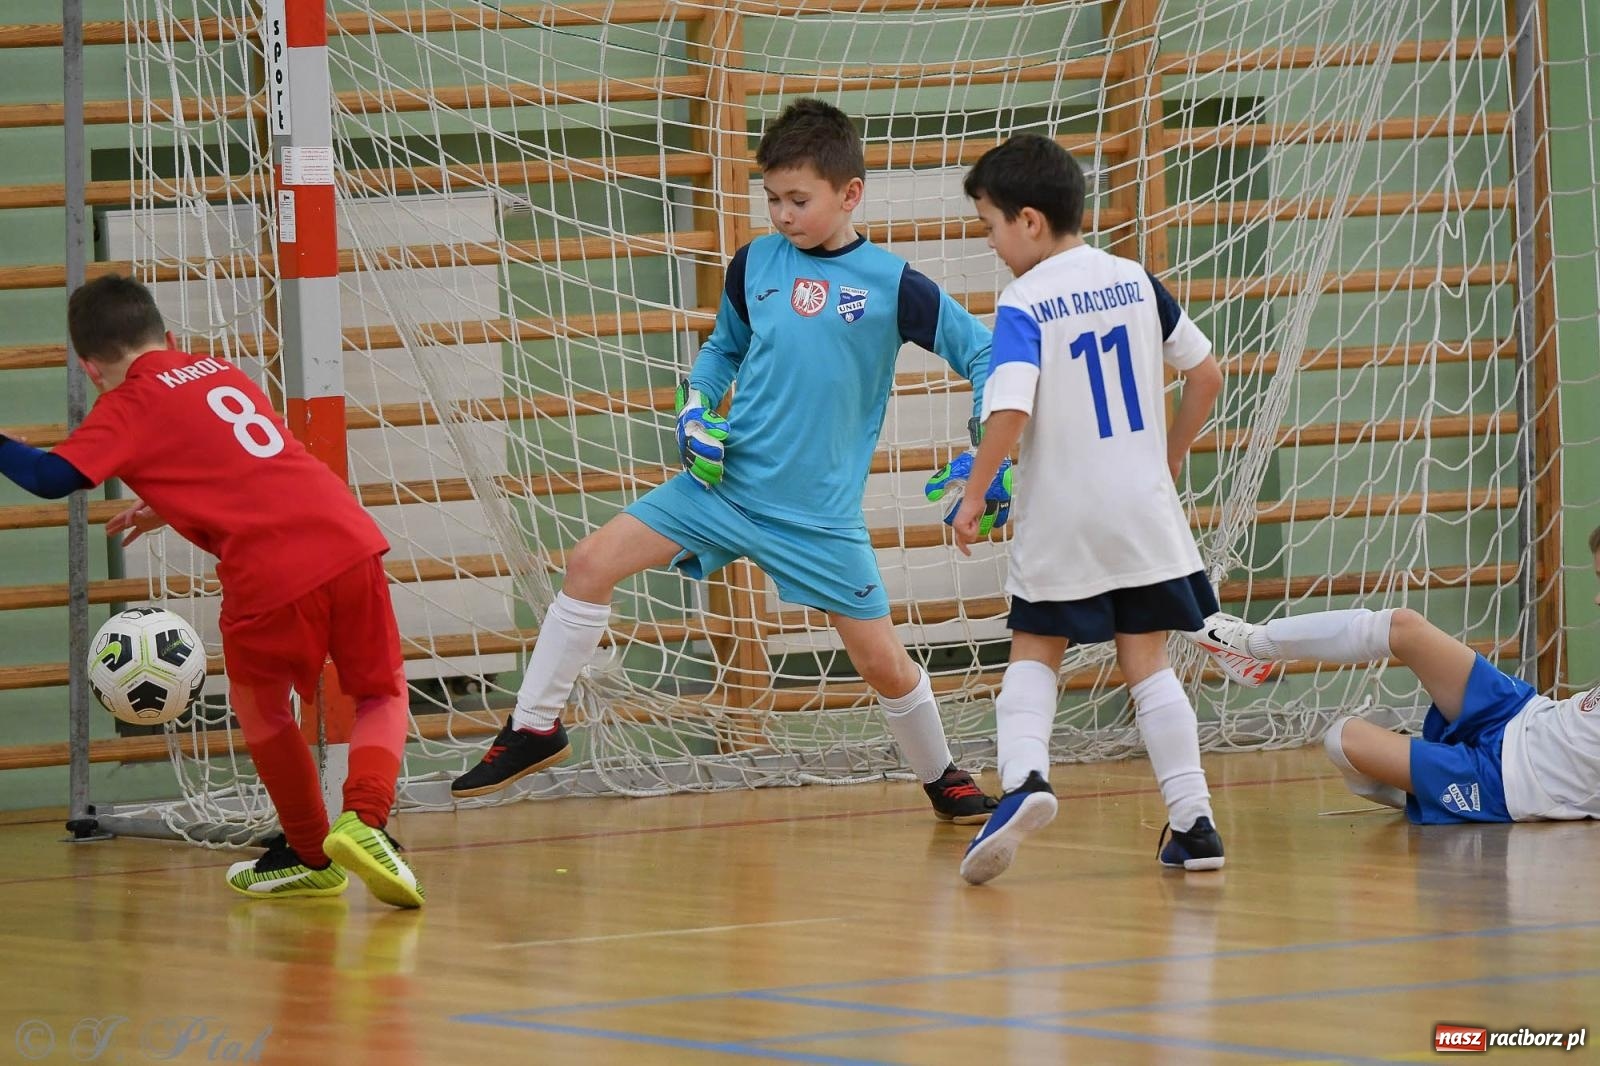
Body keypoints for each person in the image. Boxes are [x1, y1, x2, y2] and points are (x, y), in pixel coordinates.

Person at [450, 98, 1004, 824]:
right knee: (588, 562)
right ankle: (534, 726)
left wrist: (985, 446)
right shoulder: (756, 264)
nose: (781, 214)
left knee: (881, 663)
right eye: (771, 198)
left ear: (851, 194)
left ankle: (943, 780)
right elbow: (721, 352)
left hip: (816, 519)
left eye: (798, 200)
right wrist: (694, 407)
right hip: (721, 489)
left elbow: (985, 352)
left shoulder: (894, 286)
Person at [0, 275, 423, 906]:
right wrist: (166, 506)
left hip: (269, 570)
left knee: (265, 711)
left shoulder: (125, 404)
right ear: (167, 336)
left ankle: (310, 852)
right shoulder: (215, 368)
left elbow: (53, 476)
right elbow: (245, 461)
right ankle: (365, 821)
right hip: (347, 539)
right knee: (381, 691)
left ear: (90, 368)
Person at [947, 134, 1230, 885]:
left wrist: (975, 492)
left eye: (990, 226)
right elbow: (1206, 375)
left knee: (1035, 651)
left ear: (1029, 221)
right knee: (1148, 661)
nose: (992, 242)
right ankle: (1195, 822)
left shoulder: (1024, 299)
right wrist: (1167, 457)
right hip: (1143, 513)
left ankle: (1026, 781)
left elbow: (1008, 409)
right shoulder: (1135, 278)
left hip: (1066, 514)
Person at [1184, 525, 1600, 825]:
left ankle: (1430, 791)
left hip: (1507, 781)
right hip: (1524, 713)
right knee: (1404, 626)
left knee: (1342, 738)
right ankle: (1251, 647)